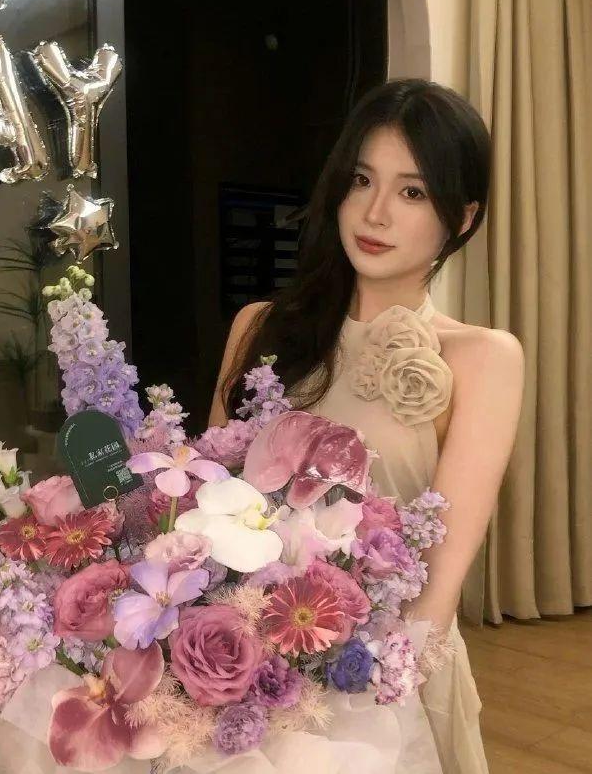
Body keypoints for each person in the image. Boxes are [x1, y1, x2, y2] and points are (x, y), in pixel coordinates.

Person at [208, 78, 525, 773]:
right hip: (248, 669)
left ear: (462, 217)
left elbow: (443, 572)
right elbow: (210, 510)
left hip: (384, 675)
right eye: (361, 180)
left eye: (412, 192)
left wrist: (379, 694)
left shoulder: (483, 358)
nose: (375, 212)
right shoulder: (258, 328)